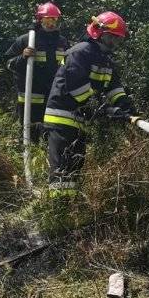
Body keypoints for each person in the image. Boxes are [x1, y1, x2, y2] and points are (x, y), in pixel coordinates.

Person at [43, 11, 135, 197]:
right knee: (62, 167)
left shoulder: (106, 60)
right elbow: (78, 90)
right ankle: (55, 211)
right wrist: (106, 109)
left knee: (75, 166)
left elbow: (114, 88)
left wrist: (126, 106)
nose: (115, 44)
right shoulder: (79, 52)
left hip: (79, 121)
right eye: (112, 39)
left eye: (118, 40)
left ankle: (67, 207)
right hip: (62, 118)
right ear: (99, 33)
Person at [5, 2, 69, 143]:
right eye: (47, 19)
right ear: (39, 20)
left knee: (50, 136)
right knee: (28, 137)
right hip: (30, 99)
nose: (51, 23)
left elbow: (65, 66)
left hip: (52, 98)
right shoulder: (27, 40)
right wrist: (23, 57)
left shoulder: (62, 42)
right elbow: (9, 64)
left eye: (54, 19)